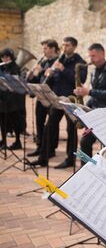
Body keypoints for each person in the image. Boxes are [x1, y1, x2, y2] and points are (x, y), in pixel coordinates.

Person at [28, 37, 87, 168]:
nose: (64, 47)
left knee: (71, 130)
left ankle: (70, 159)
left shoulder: (80, 62)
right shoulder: (61, 59)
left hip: (71, 99)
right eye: (63, 45)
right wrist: (50, 72)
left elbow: (80, 79)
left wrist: (63, 70)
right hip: (57, 98)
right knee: (49, 127)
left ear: (74, 47)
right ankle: (43, 157)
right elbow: (56, 78)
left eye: (68, 45)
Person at [74, 43, 106, 165]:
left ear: (103, 54)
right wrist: (83, 108)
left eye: (94, 56)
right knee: (84, 142)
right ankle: (88, 168)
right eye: (90, 56)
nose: (91, 60)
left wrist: (89, 91)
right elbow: (94, 97)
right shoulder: (94, 71)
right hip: (96, 115)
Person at [26, 39, 60, 158]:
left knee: (52, 125)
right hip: (41, 96)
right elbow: (38, 81)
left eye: (45, 48)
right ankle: (40, 146)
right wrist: (32, 76)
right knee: (39, 122)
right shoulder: (45, 63)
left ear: (52, 49)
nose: (43, 51)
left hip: (52, 96)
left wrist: (49, 73)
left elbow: (57, 80)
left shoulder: (58, 62)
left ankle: (51, 149)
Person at [0, 48, 25, 150]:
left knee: (14, 121)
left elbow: (15, 82)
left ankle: (18, 141)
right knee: (2, 121)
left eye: (7, 57)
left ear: (11, 57)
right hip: (3, 98)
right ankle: (3, 140)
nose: (5, 59)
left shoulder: (15, 68)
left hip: (13, 100)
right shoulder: (2, 67)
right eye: (3, 57)